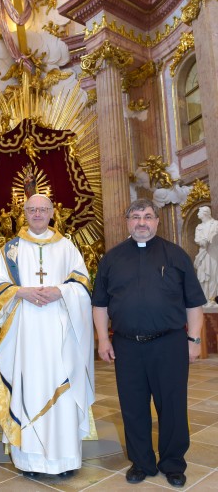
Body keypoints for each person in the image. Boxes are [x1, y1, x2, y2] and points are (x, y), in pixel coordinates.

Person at [92, 198, 205, 488]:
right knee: (132, 407)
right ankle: (141, 462)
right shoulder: (111, 259)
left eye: (147, 217)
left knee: (173, 406)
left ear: (156, 221)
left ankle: (173, 463)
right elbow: (100, 304)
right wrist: (104, 338)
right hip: (127, 345)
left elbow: (194, 303)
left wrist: (193, 340)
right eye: (135, 217)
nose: (141, 222)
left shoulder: (176, 255)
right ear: (127, 221)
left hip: (169, 344)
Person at [0, 193, 94, 478]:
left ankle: (64, 460)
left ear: (52, 213)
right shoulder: (11, 249)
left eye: (43, 209)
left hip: (61, 331)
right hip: (24, 332)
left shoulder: (67, 246)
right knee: (29, 388)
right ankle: (30, 463)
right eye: (32, 209)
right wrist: (21, 292)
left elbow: (83, 284)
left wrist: (60, 290)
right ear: (24, 212)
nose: (37, 214)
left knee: (61, 390)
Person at [194, 206, 218, 306]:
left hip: (213, 253)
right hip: (203, 253)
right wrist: (202, 241)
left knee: (213, 275)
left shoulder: (216, 224)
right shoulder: (198, 227)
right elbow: (197, 239)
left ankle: (212, 299)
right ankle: (204, 300)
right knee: (203, 276)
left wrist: (211, 239)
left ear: (205, 213)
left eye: (199, 212)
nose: (197, 214)